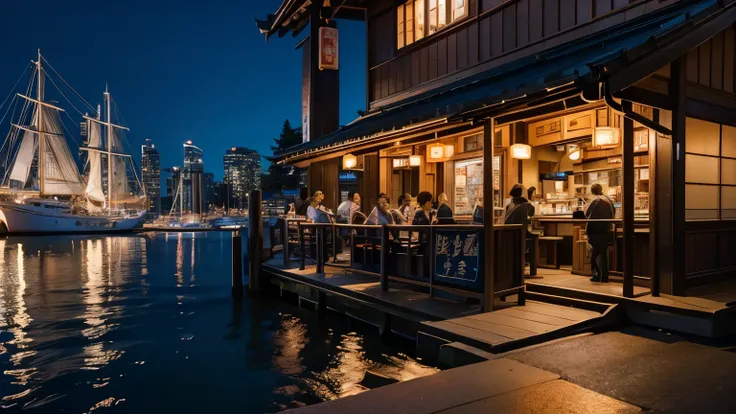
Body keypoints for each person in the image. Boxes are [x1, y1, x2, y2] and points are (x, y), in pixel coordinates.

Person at [585, 183, 615, 283]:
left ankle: (596, 275)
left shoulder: (595, 200)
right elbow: (613, 213)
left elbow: (587, 214)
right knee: (603, 255)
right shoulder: (608, 199)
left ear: (592, 191)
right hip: (607, 230)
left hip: (596, 232)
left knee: (594, 257)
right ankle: (604, 276)